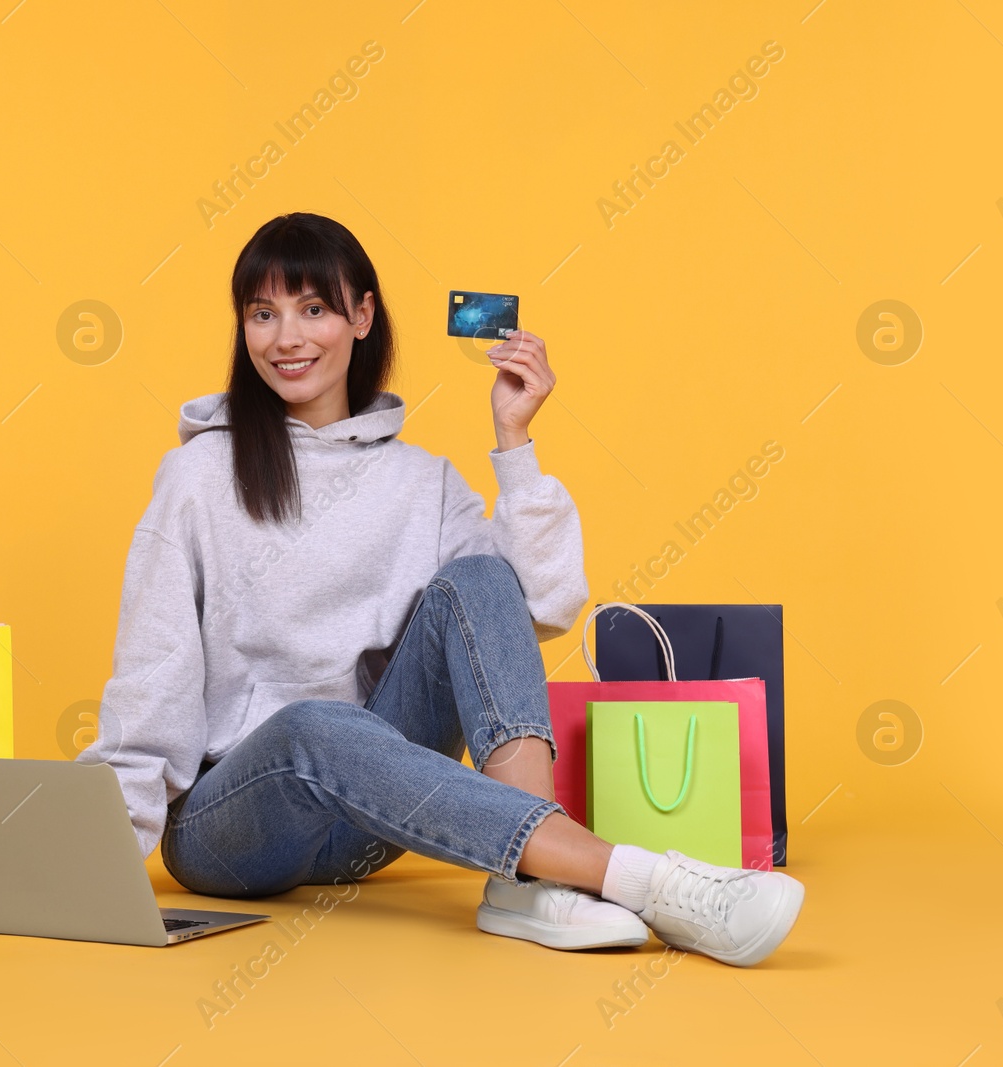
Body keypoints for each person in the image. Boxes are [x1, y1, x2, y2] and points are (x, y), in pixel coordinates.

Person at [75, 211, 803, 967]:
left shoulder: (422, 483)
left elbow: (538, 611)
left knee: (481, 575)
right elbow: (152, 675)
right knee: (315, 724)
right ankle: (640, 875)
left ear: (362, 315)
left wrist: (514, 443)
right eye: (263, 314)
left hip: (375, 814)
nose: (285, 338)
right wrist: (96, 859)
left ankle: (530, 881)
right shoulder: (198, 478)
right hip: (235, 827)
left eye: (313, 308)